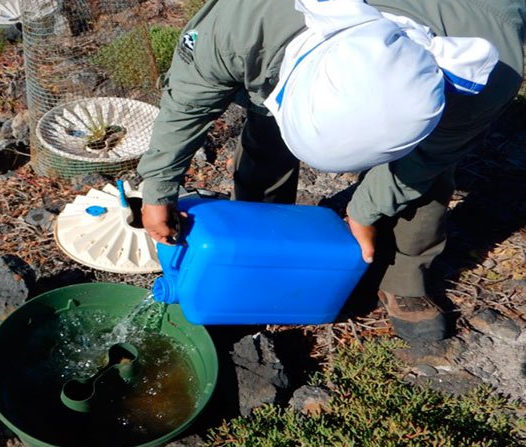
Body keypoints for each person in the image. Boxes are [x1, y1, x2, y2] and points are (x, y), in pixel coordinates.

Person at [136, 0, 525, 343]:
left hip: (458, 41)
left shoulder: (490, 67)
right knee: (266, 138)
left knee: (421, 178)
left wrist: (365, 211)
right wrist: (157, 189)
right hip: (278, 39)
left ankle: (405, 275)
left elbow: (425, 159)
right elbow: (187, 103)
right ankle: (255, 243)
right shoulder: (245, 20)